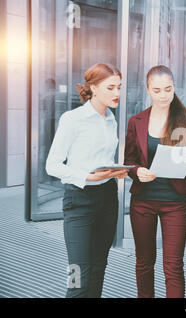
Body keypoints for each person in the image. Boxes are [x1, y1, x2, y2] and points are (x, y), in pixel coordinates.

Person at [46, 63, 128, 298]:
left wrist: (114, 172)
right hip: (78, 201)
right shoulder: (73, 119)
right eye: (110, 87)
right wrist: (87, 176)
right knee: (77, 275)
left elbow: (101, 160)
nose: (117, 93)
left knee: (98, 269)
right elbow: (52, 165)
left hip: (107, 198)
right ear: (93, 87)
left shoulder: (111, 120)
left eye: (119, 87)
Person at [124, 65, 186, 298]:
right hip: (143, 202)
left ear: (174, 87)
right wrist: (137, 172)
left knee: (173, 266)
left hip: (175, 202)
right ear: (148, 90)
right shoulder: (136, 121)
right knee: (144, 262)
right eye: (157, 90)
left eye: (168, 89)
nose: (163, 95)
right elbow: (129, 162)